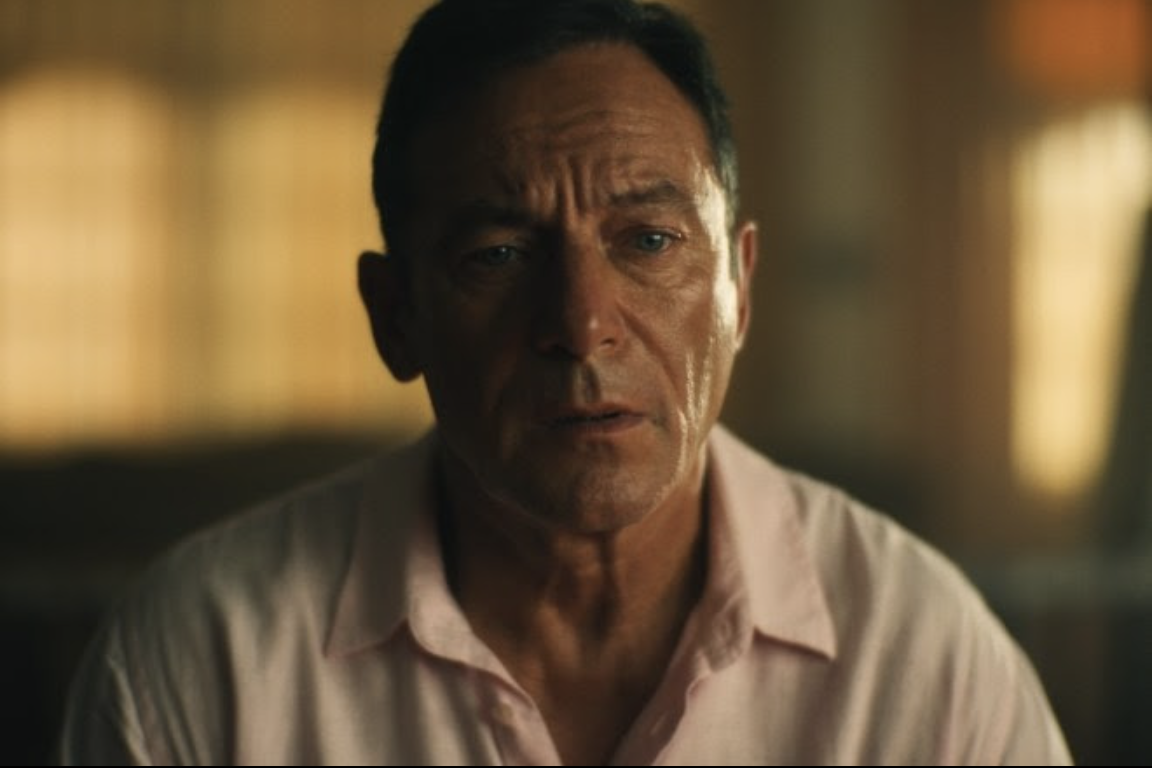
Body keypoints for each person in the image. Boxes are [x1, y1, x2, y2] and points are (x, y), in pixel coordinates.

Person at [59, 0, 1072, 764]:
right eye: (498, 255)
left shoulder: (924, 663)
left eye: (649, 240)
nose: (582, 324)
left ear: (740, 290)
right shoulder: (203, 660)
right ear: (395, 316)